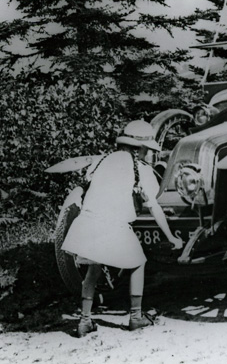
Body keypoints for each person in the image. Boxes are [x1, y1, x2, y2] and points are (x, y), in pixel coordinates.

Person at [61, 120, 183, 337]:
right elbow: (154, 206)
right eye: (147, 150)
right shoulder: (140, 169)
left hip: (87, 221)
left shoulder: (101, 161)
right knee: (138, 263)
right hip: (113, 225)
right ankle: (136, 316)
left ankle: (84, 321)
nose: (148, 154)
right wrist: (170, 236)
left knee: (93, 268)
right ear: (141, 148)